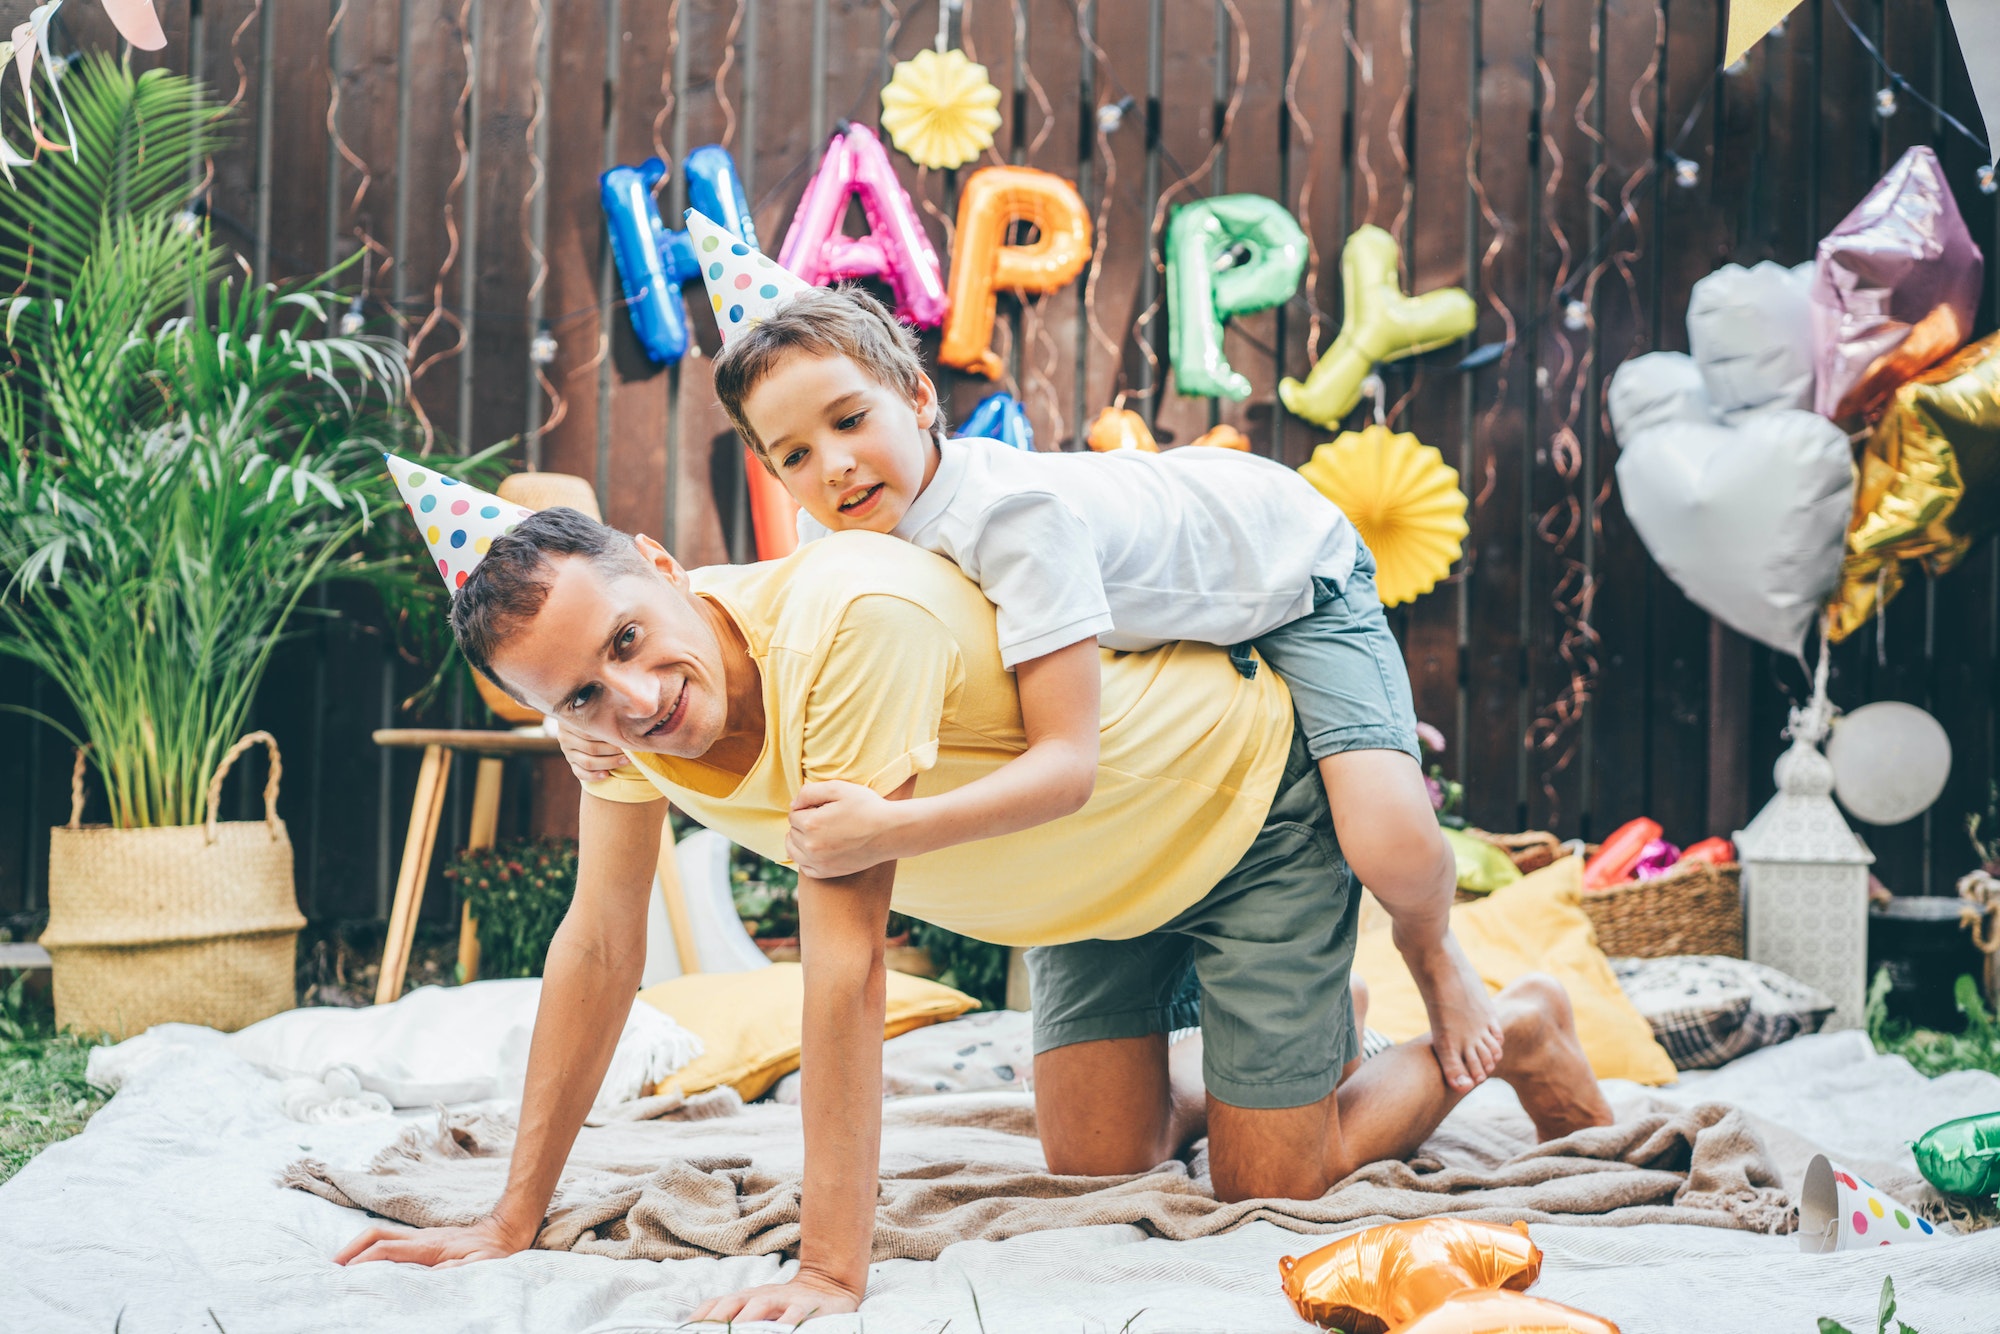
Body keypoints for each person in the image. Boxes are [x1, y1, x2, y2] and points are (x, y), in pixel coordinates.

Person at [336, 496, 1615, 1325]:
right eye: (573, 694)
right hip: (1081, 880)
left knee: (1257, 1179)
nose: (630, 697)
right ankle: (1285, 1043)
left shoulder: (846, 621)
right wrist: (510, 1216)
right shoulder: (615, 732)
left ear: (665, 570)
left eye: (625, 640)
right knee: (1097, 1161)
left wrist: (832, 1268)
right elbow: (599, 944)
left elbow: (841, 967)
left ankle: (1524, 1023)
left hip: (1237, 806)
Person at [558, 280, 1501, 1095]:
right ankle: (1335, 1007)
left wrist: (893, 829)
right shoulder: (835, 544)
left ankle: (1430, 948)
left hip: (1289, 567)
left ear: (920, 396)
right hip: (1164, 628)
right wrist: (592, 715)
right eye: (794, 455)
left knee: (1386, 834)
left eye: (850, 421)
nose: (833, 465)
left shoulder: (1013, 520)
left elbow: (1067, 768)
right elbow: (720, 614)